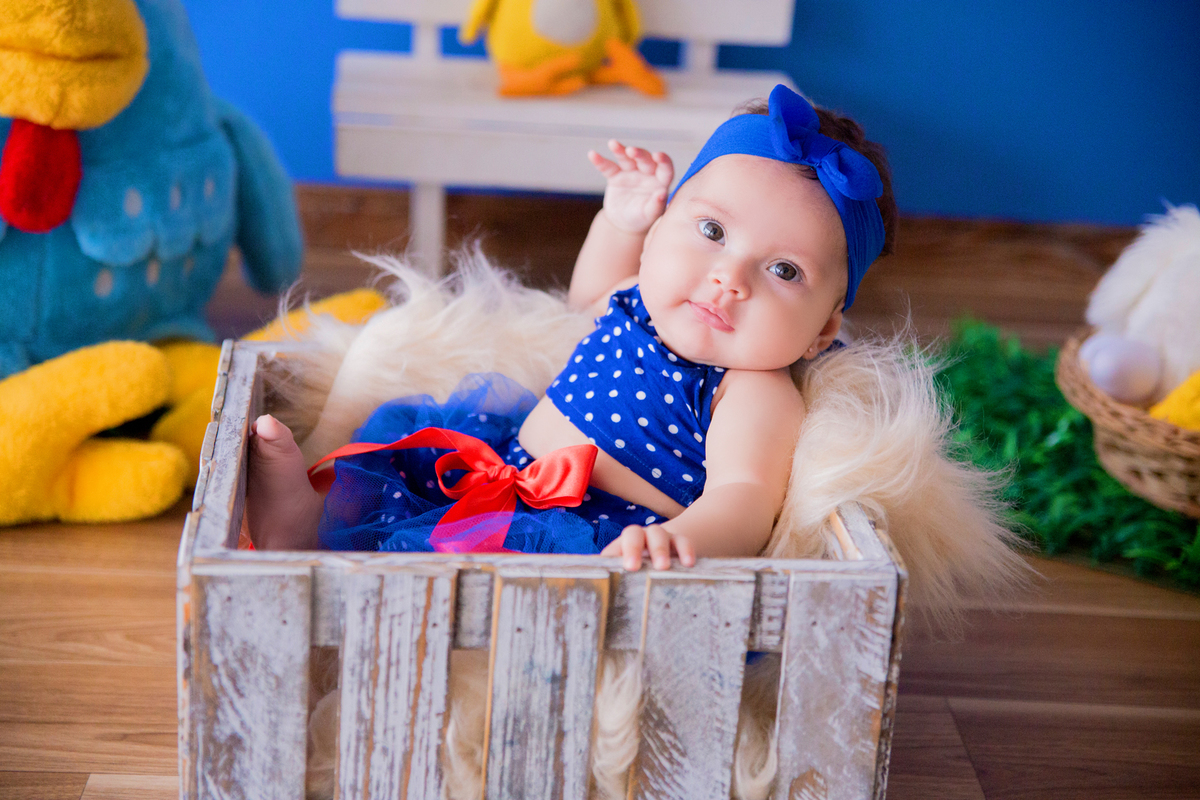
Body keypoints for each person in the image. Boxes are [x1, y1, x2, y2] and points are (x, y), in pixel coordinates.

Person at [246, 84, 897, 571]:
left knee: (450, 579)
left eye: (784, 270)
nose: (730, 277)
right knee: (401, 482)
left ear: (822, 331)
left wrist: (684, 541)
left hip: (590, 534)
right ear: (662, 228)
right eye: (711, 231)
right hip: (498, 469)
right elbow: (583, 298)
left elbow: (746, 496)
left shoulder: (751, 390)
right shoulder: (636, 303)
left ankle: (308, 544)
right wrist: (619, 222)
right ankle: (307, 525)